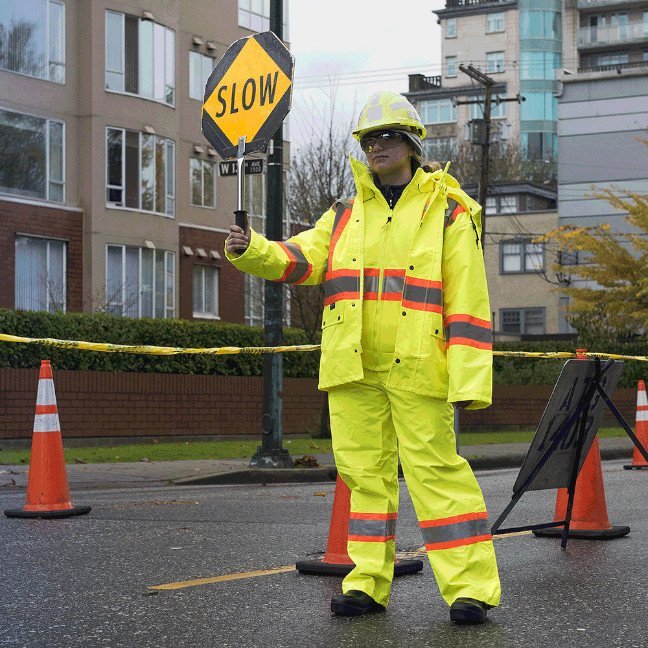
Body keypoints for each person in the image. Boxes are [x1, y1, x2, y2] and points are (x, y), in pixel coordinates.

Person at [225, 91, 501, 624]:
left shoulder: (447, 210)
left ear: (411, 143)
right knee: (364, 478)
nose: (377, 146)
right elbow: (302, 259)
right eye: (369, 138)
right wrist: (251, 248)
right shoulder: (345, 213)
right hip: (354, 368)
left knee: (438, 477)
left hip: (418, 367)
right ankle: (367, 584)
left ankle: (471, 589)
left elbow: (469, 300)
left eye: (388, 136)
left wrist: (470, 381)